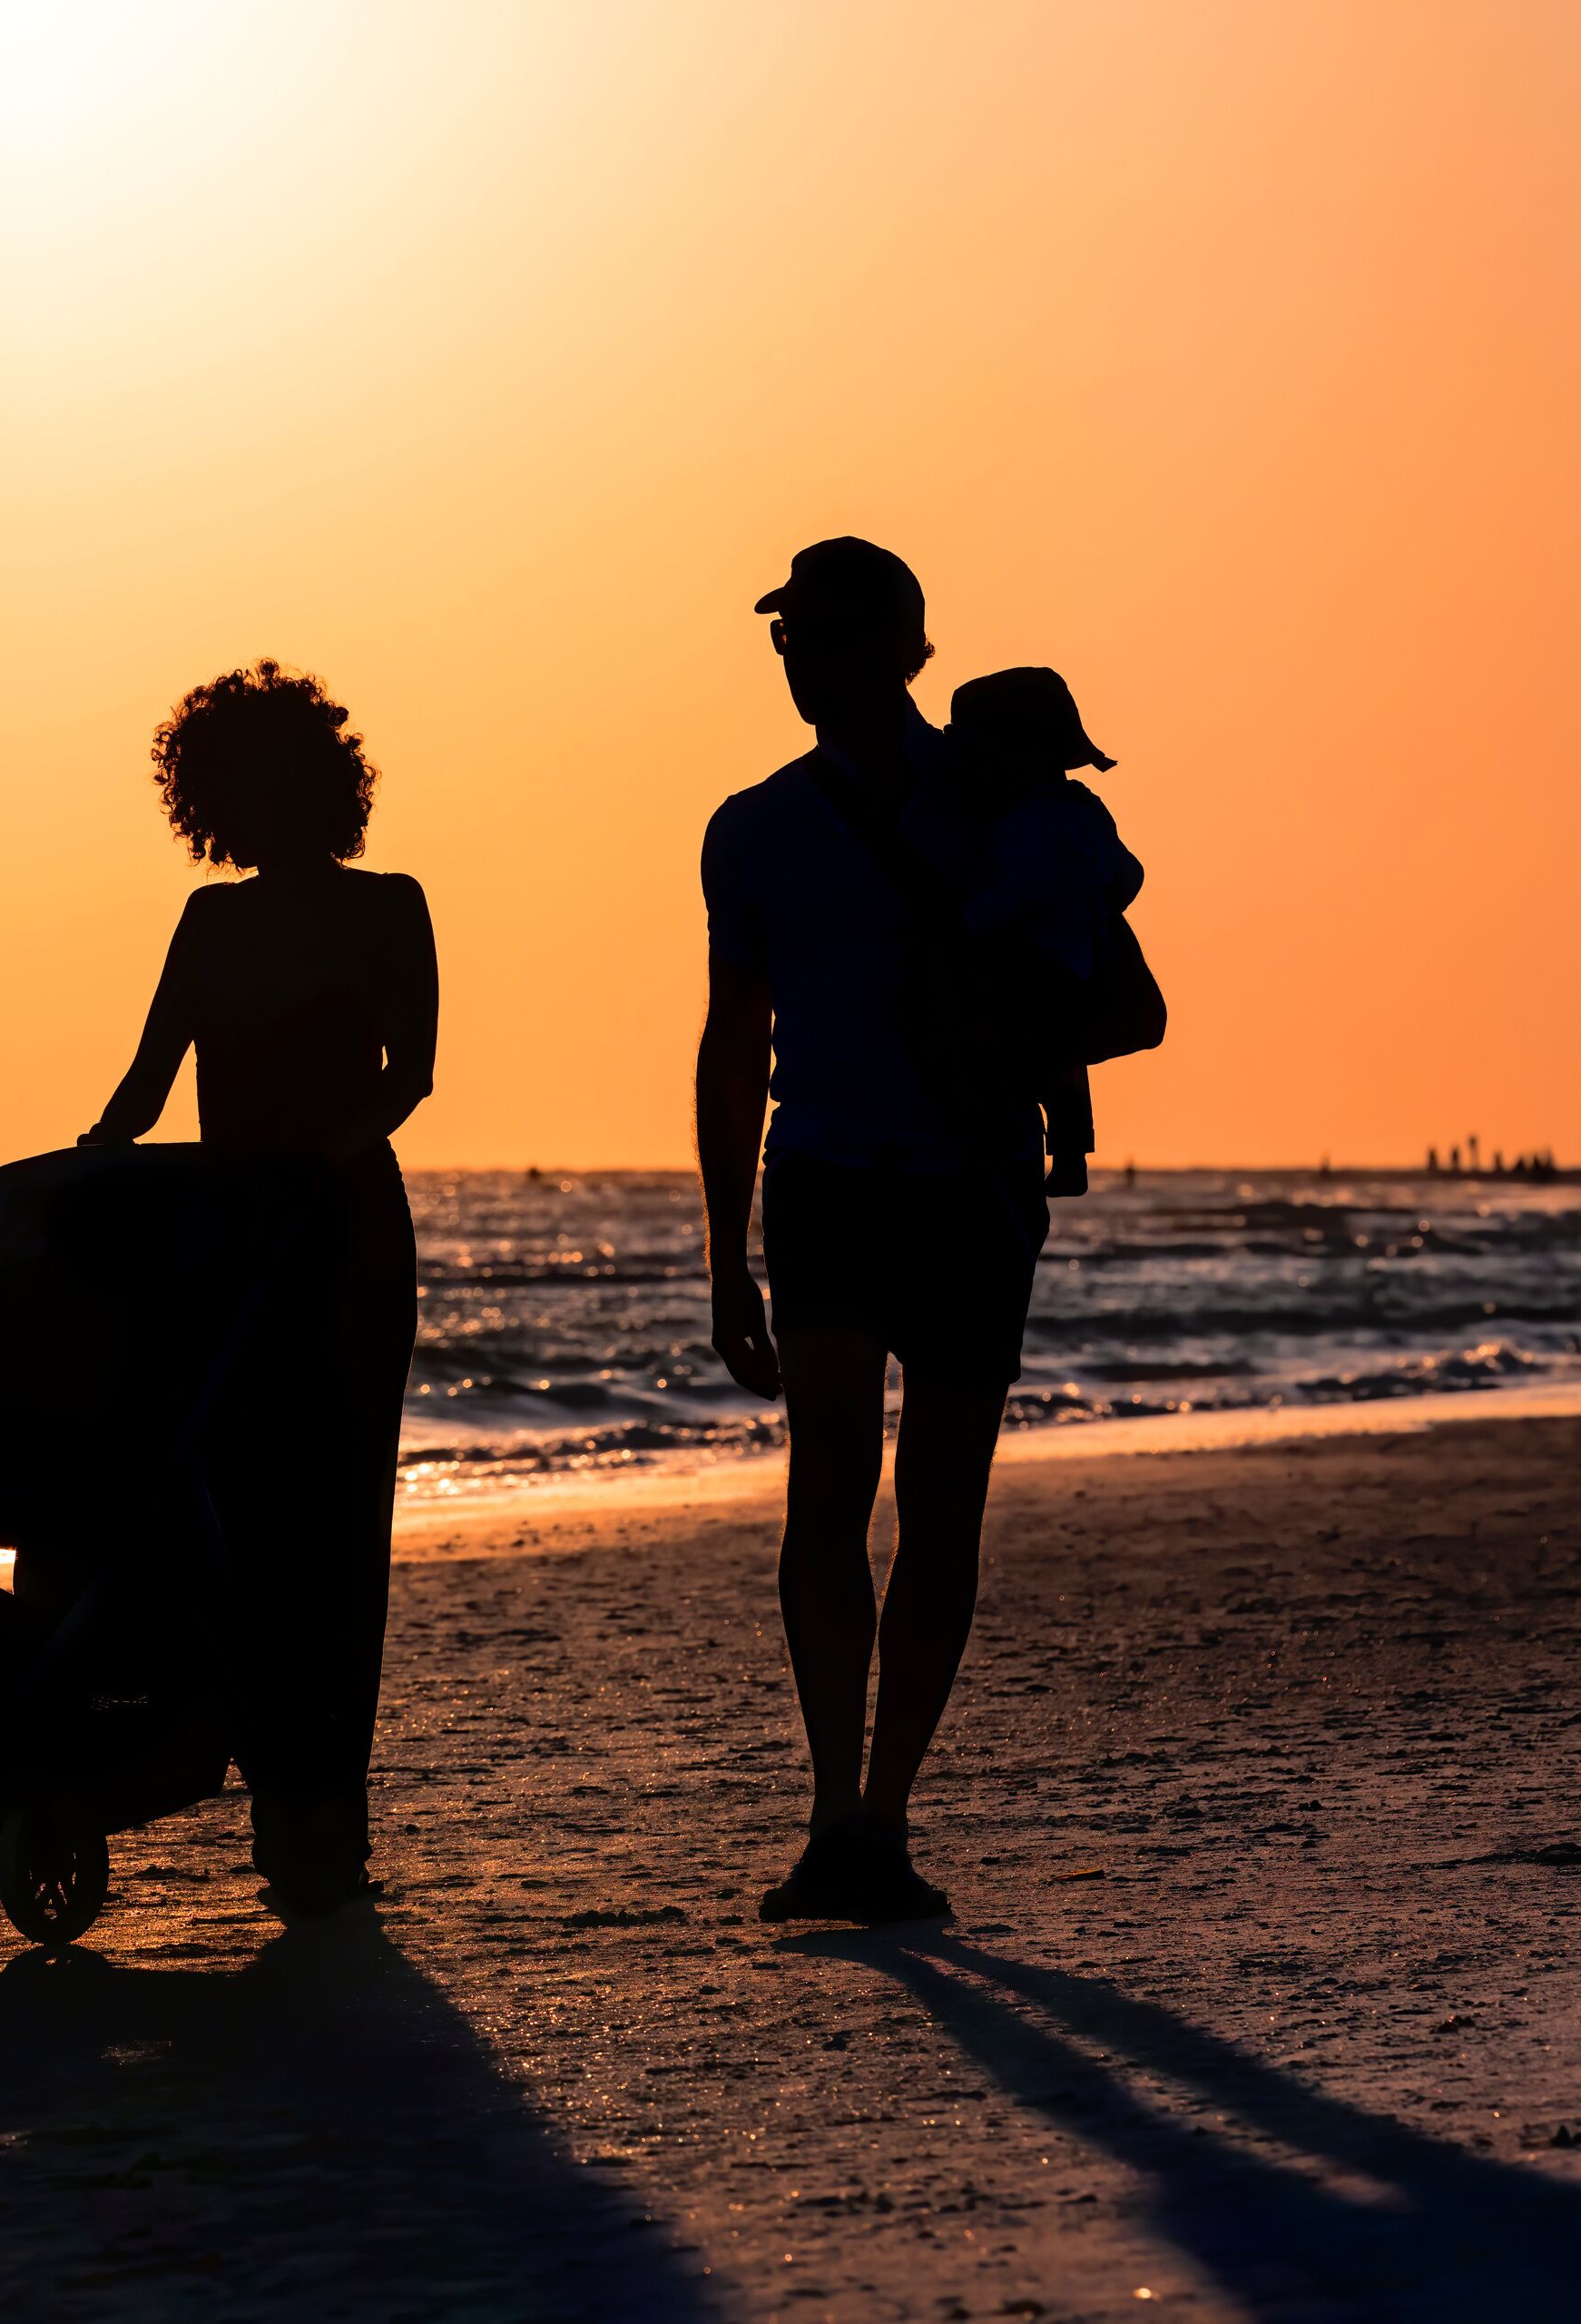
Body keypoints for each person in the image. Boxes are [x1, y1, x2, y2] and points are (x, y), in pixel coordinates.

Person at [694, 538, 1049, 1924]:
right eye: (791, 635)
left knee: (942, 1503)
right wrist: (726, 1252)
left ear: (908, 650)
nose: (805, 656)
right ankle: (836, 1808)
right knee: (827, 1490)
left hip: (973, 1182)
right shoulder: (754, 827)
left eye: (833, 635)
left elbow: (1093, 929)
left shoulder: (996, 804)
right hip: (828, 1176)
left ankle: (886, 1816)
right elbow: (735, 1044)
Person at [82, 660, 437, 1918]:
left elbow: (413, 1076)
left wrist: (313, 1165)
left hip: (341, 1235)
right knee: (231, 1515)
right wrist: (82, 1169)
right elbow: (148, 1081)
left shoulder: (391, 907)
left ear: (325, 784)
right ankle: (227, 1757)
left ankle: (319, 1814)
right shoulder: (209, 922)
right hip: (225, 1241)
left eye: (282, 774)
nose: (262, 797)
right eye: (240, 777)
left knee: (337, 1522)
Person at [922, 665, 1142, 1196]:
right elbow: (1129, 872)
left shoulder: (1031, 820)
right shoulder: (1084, 811)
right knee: (1062, 1061)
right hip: (1074, 959)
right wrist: (1099, 908)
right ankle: (1068, 1156)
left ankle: (1061, 1156)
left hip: (1034, 962)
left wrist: (965, 926)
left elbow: (1026, 890)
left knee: (1034, 1055)